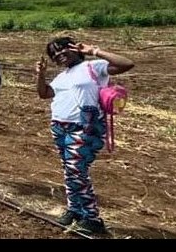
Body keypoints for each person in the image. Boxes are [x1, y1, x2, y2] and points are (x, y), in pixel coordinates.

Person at [36, 37, 135, 235]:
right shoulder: (61, 76)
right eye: (54, 54)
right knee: (70, 170)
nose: (58, 55)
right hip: (60, 126)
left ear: (75, 48)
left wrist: (94, 51)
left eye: (62, 49)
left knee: (76, 170)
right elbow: (44, 93)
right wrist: (41, 75)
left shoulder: (93, 67)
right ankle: (74, 210)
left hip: (84, 127)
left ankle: (92, 218)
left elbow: (126, 64)